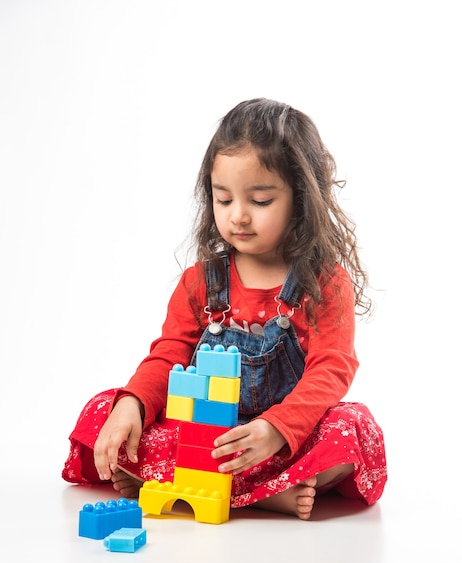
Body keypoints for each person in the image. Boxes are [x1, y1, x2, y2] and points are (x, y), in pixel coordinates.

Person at [62, 97, 387, 520]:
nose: (239, 217)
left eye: (261, 201)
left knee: (352, 429)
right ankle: (263, 494)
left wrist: (276, 429)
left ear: (301, 199)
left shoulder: (324, 282)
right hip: (203, 435)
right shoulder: (201, 280)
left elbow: (331, 369)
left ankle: (169, 483)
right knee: (104, 409)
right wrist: (134, 405)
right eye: (223, 199)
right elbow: (169, 355)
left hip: (282, 438)